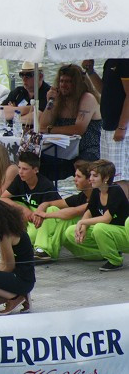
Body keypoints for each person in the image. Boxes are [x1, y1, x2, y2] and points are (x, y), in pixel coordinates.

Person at [38, 63, 102, 180]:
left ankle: (88, 197)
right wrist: (50, 102)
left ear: (77, 84)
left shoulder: (87, 98)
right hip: (63, 149)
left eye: (68, 82)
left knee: (81, 167)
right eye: (61, 81)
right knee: (36, 163)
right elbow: (42, 125)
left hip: (88, 149)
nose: (63, 85)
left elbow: (78, 129)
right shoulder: (58, 100)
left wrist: (50, 130)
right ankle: (48, 196)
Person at [63, 159, 129, 271]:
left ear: (106, 178)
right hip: (108, 233)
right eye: (91, 175)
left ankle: (115, 261)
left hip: (124, 234)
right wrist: (83, 227)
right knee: (70, 231)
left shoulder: (115, 190)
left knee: (99, 228)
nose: (91, 179)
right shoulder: (96, 191)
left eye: (95, 176)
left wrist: (82, 222)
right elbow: (89, 212)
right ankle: (105, 251)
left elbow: (106, 219)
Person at [30, 160, 92, 261]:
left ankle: (47, 251)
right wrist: (40, 210)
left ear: (89, 180)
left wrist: (45, 215)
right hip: (79, 243)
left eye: (79, 177)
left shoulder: (96, 198)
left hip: (96, 250)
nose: (74, 180)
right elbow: (50, 203)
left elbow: (73, 212)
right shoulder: (80, 196)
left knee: (68, 220)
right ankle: (42, 249)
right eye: (75, 176)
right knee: (51, 209)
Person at [0, 152, 61, 251]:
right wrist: (23, 209)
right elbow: (3, 198)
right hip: (29, 213)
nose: (20, 172)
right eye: (19, 168)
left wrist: (36, 214)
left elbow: (52, 209)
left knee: (30, 237)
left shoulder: (46, 185)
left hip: (44, 218)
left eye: (25, 169)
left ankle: (42, 248)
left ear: (35, 170)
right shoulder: (19, 179)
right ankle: (2, 236)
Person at [84, 59, 129, 193]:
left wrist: (122, 127)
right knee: (107, 174)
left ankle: (124, 211)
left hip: (120, 126)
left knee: (119, 175)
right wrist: (90, 71)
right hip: (106, 126)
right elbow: (105, 90)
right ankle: (110, 208)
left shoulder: (124, 61)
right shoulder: (109, 61)